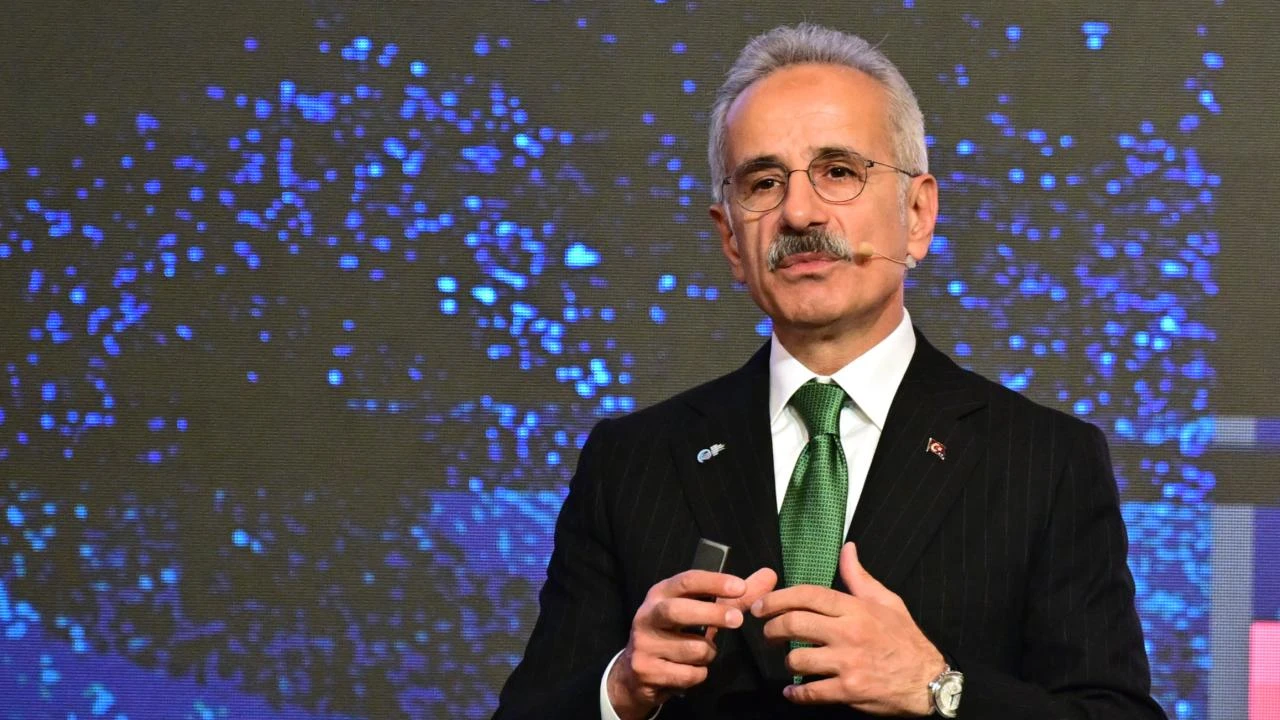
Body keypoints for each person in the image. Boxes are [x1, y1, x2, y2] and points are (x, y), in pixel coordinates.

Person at [495, 23, 1166, 720]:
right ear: (731, 239)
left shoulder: (1044, 461)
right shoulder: (631, 463)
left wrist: (939, 689)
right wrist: (621, 689)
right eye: (763, 183)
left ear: (917, 213)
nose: (799, 211)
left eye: (839, 172)